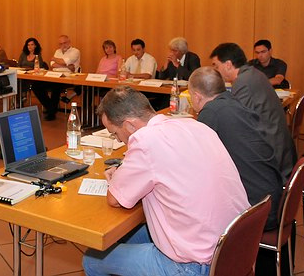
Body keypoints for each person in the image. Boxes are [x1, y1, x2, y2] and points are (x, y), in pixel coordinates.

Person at [82, 86, 249, 276]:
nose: (119, 140)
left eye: (115, 133)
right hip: (233, 248)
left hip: (194, 265)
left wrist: (118, 176)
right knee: (122, 237)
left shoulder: (145, 140)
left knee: (93, 259)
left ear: (129, 126)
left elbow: (115, 199)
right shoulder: (195, 125)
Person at [188, 67, 283, 230]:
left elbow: (195, 164)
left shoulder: (210, 113)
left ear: (197, 96)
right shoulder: (233, 102)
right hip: (271, 198)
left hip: (255, 211)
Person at [210, 42, 296, 182]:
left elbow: (238, 123)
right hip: (278, 146)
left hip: (272, 157)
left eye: (216, 66)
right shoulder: (252, 74)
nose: (216, 70)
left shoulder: (243, 82)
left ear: (228, 65)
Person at [32, 35, 80, 121]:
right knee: (36, 85)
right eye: (60, 44)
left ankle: (51, 112)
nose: (63, 45)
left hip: (68, 77)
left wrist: (56, 59)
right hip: (55, 76)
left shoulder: (75, 51)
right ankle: (51, 107)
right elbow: (52, 64)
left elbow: (65, 61)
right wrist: (66, 66)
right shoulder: (58, 51)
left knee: (56, 87)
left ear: (69, 42)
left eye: (65, 43)